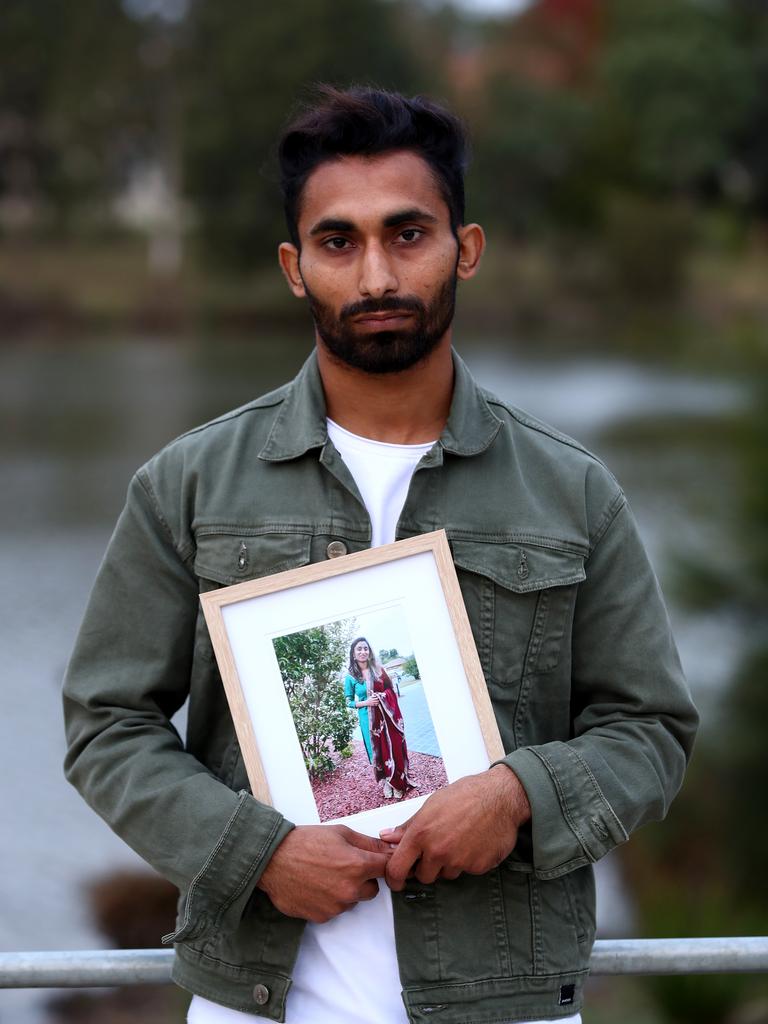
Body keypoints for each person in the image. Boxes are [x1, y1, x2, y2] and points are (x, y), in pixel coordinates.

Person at [63, 85, 698, 1024]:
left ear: (465, 249)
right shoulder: (187, 486)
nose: (374, 277)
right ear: (293, 266)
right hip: (256, 1002)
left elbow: (651, 730)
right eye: (337, 241)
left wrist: (519, 795)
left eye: (408, 235)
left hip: (506, 1002)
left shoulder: (572, 493)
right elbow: (107, 724)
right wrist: (260, 854)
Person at [343, 636, 413, 800]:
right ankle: (386, 782)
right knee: (378, 752)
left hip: (386, 718)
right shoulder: (350, 677)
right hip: (368, 720)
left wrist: (382, 697)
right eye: (359, 649)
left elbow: (390, 691)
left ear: (369, 651)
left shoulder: (379, 670)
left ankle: (396, 781)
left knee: (391, 747)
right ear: (353, 654)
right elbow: (348, 701)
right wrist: (366, 702)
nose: (363, 651)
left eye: (365, 648)